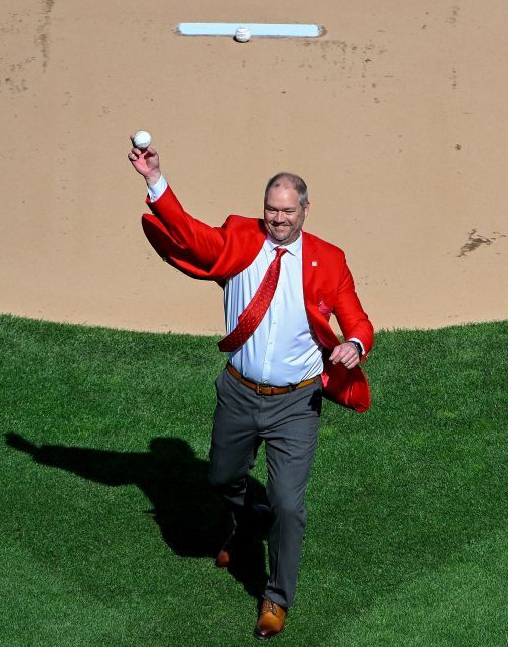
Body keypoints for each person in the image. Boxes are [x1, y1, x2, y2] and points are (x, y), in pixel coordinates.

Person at [128, 134, 375, 639]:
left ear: (305, 209)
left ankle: (277, 598)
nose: (277, 220)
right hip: (239, 392)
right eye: (271, 210)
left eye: (287, 211)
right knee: (220, 479)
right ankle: (245, 518)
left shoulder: (328, 259)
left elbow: (358, 320)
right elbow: (192, 235)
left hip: (296, 404)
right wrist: (156, 180)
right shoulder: (242, 237)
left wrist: (354, 344)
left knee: (289, 503)